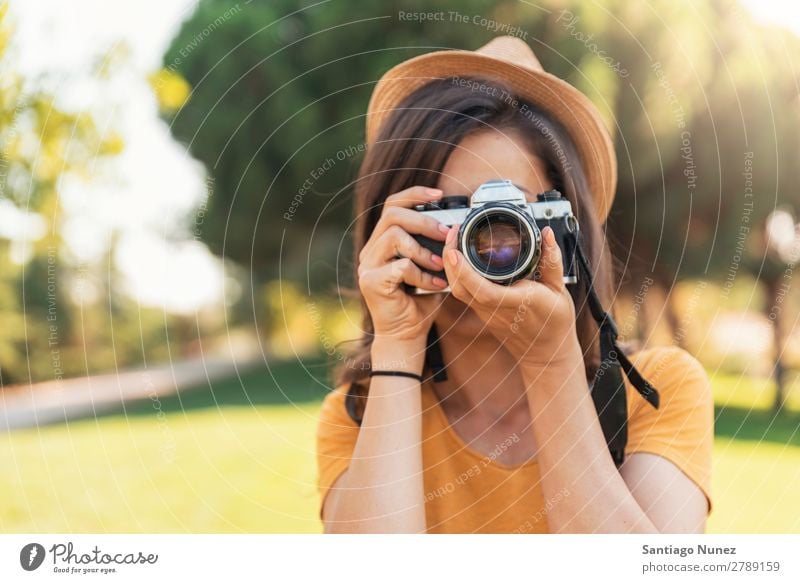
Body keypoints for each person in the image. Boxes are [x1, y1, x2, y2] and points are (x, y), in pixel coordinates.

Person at [316, 36, 713, 534]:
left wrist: (550, 362)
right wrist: (397, 346)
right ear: (391, 233)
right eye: (448, 219)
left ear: (568, 233)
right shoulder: (359, 418)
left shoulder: (657, 392)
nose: (483, 251)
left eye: (509, 219)